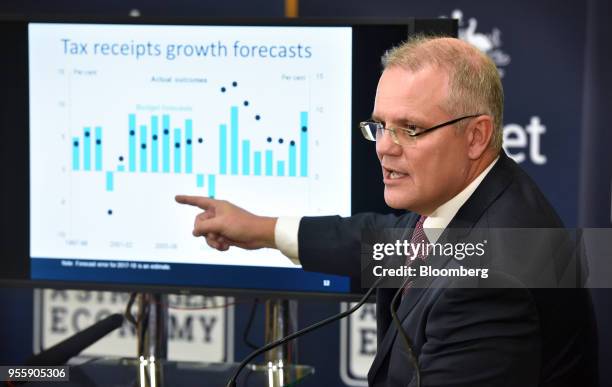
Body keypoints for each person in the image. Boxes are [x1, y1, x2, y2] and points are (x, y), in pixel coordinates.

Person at [176, 36, 597, 387]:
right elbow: (387, 240)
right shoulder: (478, 195)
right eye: (380, 126)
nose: (384, 147)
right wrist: (263, 230)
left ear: (475, 136)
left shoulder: (491, 278)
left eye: (410, 129)